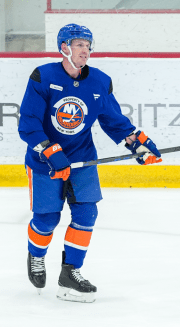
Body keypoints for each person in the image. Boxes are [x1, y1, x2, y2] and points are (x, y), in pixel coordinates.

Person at [18, 23, 163, 303]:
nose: (85, 50)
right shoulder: (42, 77)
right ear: (64, 48)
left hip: (82, 160)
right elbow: (29, 124)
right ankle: (36, 256)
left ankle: (70, 272)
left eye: (88, 45)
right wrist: (51, 151)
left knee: (86, 215)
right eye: (79, 45)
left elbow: (114, 121)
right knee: (47, 219)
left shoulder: (99, 81)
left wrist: (137, 142)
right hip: (44, 162)